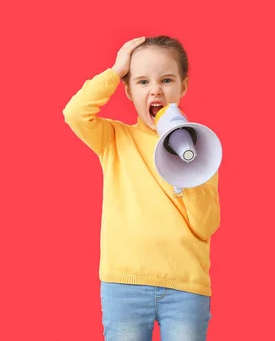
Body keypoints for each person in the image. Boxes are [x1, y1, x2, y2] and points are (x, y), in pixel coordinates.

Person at [63, 35, 221, 340]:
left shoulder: (201, 150)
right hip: (125, 286)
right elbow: (75, 113)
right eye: (142, 82)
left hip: (185, 289)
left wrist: (187, 170)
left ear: (183, 87)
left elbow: (205, 225)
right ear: (128, 90)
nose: (155, 90)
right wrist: (115, 70)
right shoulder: (114, 139)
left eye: (166, 80)